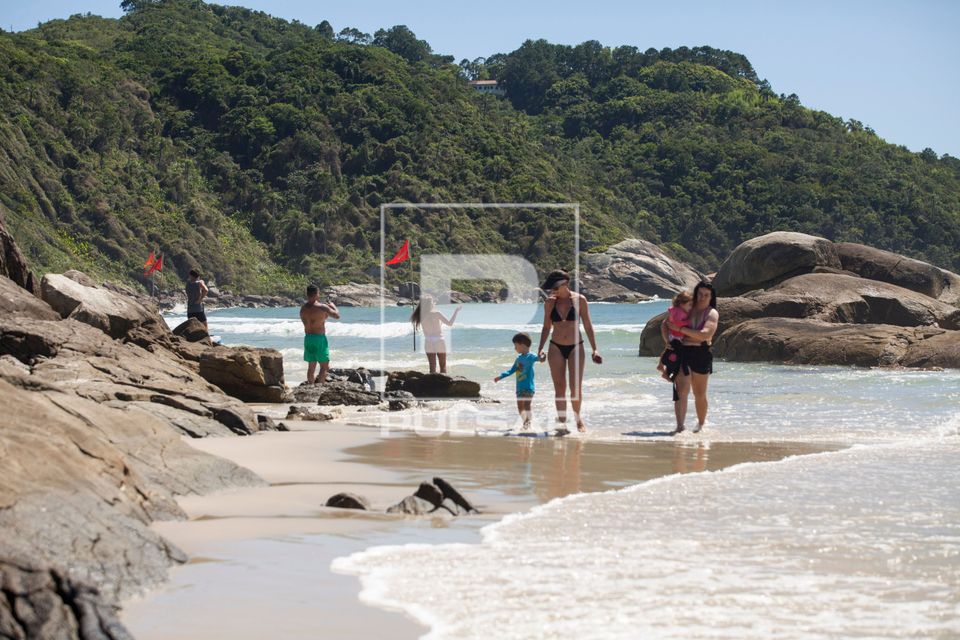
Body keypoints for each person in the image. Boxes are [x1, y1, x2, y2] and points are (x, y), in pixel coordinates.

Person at [536, 269, 601, 434]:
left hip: (576, 347)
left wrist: (595, 349)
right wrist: (540, 348)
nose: (552, 291)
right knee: (559, 386)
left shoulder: (580, 300)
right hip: (555, 347)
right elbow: (546, 327)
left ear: (564, 284)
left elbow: (587, 325)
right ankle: (563, 423)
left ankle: (578, 420)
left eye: (554, 287)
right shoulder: (550, 303)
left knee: (575, 387)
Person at [663, 281, 719, 434]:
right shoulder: (687, 308)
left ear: (711, 296)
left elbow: (705, 334)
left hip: (701, 353)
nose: (702, 297)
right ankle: (680, 427)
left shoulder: (711, 313)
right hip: (683, 352)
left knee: (699, 394)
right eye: (700, 294)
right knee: (682, 391)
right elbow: (665, 323)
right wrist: (667, 341)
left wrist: (681, 329)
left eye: (706, 295)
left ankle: (701, 425)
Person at [494, 332, 540, 430]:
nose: (515, 348)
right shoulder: (518, 358)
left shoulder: (531, 356)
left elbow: (539, 359)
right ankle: (525, 421)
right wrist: (500, 376)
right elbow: (512, 370)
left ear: (522, 345)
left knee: (527, 405)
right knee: (520, 407)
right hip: (519, 388)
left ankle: (528, 423)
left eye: (515, 346)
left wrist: (543, 356)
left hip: (528, 387)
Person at [411, 295, 461, 373]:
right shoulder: (437, 313)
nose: (434, 302)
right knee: (443, 366)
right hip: (439, 340)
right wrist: (456, 311)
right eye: (432, 301)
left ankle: (432, 384)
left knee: (432, 367)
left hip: (428, 341)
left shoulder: (420, 315)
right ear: (430, 303)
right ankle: (443, 384)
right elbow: (450, 323)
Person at [300, 284, 340, 384]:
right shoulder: (322, 307)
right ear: (316, 294)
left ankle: (310, 387)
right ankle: (320, 389)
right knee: (324, 366)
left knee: (311, 366)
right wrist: (333, 306)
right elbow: (337, 316)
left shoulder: (303, 309)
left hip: (308, 338)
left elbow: (316, 320)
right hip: (319, 338)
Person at [657, 291, 693, 381]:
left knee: (669, 350)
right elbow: (677, 323)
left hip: (672, 335)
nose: (691, 307)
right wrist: (689, 322)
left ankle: (661, 366)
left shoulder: (675, 310)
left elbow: (667, 322)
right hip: (677, 336)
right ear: (681, 304)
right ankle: (666, 372)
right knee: (675, 355)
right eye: (689, 304)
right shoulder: (680, 313)